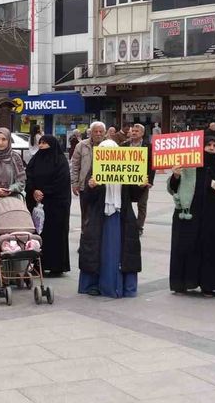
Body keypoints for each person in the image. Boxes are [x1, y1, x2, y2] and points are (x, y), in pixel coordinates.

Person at [168, 135, 215, 296]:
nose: (211, 148)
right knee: (188, 247)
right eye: (207, 145)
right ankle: (186, 282)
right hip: (190, 214)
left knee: (212, 249)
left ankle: (210, 285)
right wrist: (175, 175)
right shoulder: (189, 163)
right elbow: (172, 187)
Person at [77, 139, 142, 298]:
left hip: (122, 217)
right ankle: (94, 284)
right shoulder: (94, 172)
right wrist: (91, 187)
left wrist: (141, 185)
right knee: (98, 252)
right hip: (100, 219)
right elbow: (87, 199)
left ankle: (124, 286)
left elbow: (134, 196)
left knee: (121, 252)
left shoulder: (126, 170)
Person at [25, 135, 71, 275]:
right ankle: (38, 265)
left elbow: (61, 181)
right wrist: (34, 190)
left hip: (56, 204)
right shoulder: (35, 160)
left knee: (55, 234)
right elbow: (28, 175)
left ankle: (56, 266)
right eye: (40, 143)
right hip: (37, 202)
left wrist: (44, 192)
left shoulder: (60, 161)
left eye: (45, 143)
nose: (42, 146)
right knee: (38, 234)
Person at [71, 122, 106, 234]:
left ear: (104, 133)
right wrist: (74, 183)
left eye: (101, 132)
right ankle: (85, 240)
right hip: (84, 186)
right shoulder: (81, 145)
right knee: (85, 214)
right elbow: (75, 166)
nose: (98, 134)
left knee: (101, 214)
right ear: (91, 133)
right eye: (96, 131)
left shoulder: (110, 146)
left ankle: (98, 242)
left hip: (104, 186)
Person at [126, 124, 155, 235]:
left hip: (143, 181)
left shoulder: (149, 146)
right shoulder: (124, 145)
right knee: (126, 204)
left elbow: (152, 164)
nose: (134, 132)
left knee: (142, 205)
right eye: (132, 130)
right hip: (127, 180)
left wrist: (150, 181)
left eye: (137, 131)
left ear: (142, 133)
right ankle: (129, 224)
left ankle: (139, 227)